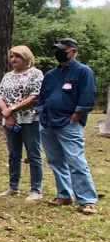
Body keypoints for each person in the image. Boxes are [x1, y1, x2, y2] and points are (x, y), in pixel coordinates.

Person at [37, 38, 99, 215]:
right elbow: (43, 95)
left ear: (73, 51)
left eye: (62, 49)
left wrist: (76, 116)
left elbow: (87, 96)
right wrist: (41, 112)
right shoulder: (51, 75)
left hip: (68, 123)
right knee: (56, 160)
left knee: (76, 161)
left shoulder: (83, 72)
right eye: (57, 49)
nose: (58, 52)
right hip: (48, 122)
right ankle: (64, 194)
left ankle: (87, 200)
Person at [0, 45, 44, 201]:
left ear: (26, 57)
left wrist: (13, 109)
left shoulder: (35, 74)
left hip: (30, 119)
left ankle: (36, 190)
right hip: (10, 121)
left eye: (17, 56)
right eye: (11, 56)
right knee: (14, 154)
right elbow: (0, 97)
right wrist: (8, 114)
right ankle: (13, 187)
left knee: (33, 154)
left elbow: (35, 96)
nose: (14, 59)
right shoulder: (7, 76)